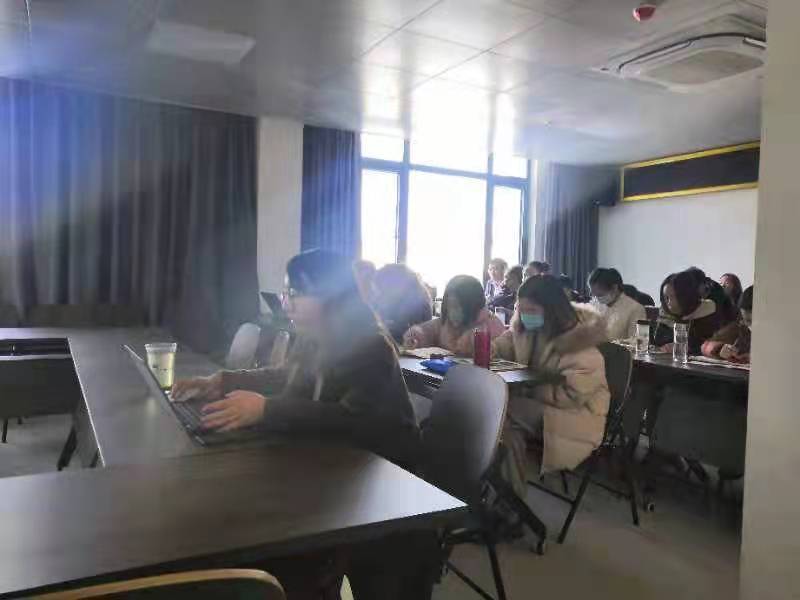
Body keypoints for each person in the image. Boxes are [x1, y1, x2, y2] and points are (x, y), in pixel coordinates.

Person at [173, 249, 419, 469]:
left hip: (385, 470)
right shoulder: (312, 335)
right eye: (285, 293)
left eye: (295, 293)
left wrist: (265, 409)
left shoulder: (372, 346)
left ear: (333, 296)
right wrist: (223, 381)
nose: (286, 304)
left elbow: (351, 420)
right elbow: (285, 376)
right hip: (336, 460)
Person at [492, 275, 610, 496]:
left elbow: (574, 395)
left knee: (497, 413)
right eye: (521, 310)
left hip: (574, 417)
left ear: (552, 309)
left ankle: (507, 497)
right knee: (504, 433)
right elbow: (507, 342)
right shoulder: (529, 328)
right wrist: (491, 349)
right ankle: (509, 498)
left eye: (531, 310)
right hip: (535, 405)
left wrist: (529, 389)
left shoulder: (582, 341)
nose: (525, 316)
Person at [404, 275, 505, 356]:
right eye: (449, 306)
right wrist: (416, 337)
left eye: (456, 306)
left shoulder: (491, 326)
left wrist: (472, 343)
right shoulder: (446, 322)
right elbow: (427, 330)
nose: (451, 311)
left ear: (471, 305)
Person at [653, 271, 726, 354]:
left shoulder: (707, 311)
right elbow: (658, 342)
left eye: (673, 296)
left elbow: (710, 346)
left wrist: (686, 347)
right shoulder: (664, 315)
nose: (668, 302)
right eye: (666, 297)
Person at [372, 264, 433, 343]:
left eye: (382, 287)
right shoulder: (411, 295)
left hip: (407, 346)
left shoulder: (415, 302)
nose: (381, 292)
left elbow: (400, 331)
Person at [588, 268, 647, 340]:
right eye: (594, 295)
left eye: (600, 295)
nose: (597, 299)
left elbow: (639, 341)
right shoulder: (594, 304)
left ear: (614, 288)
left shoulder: (636, 309)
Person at [702, 285, 753, 363]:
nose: (752, 325)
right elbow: (706, 346)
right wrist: (719, 349)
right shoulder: (740, 328)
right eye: (748, 320)